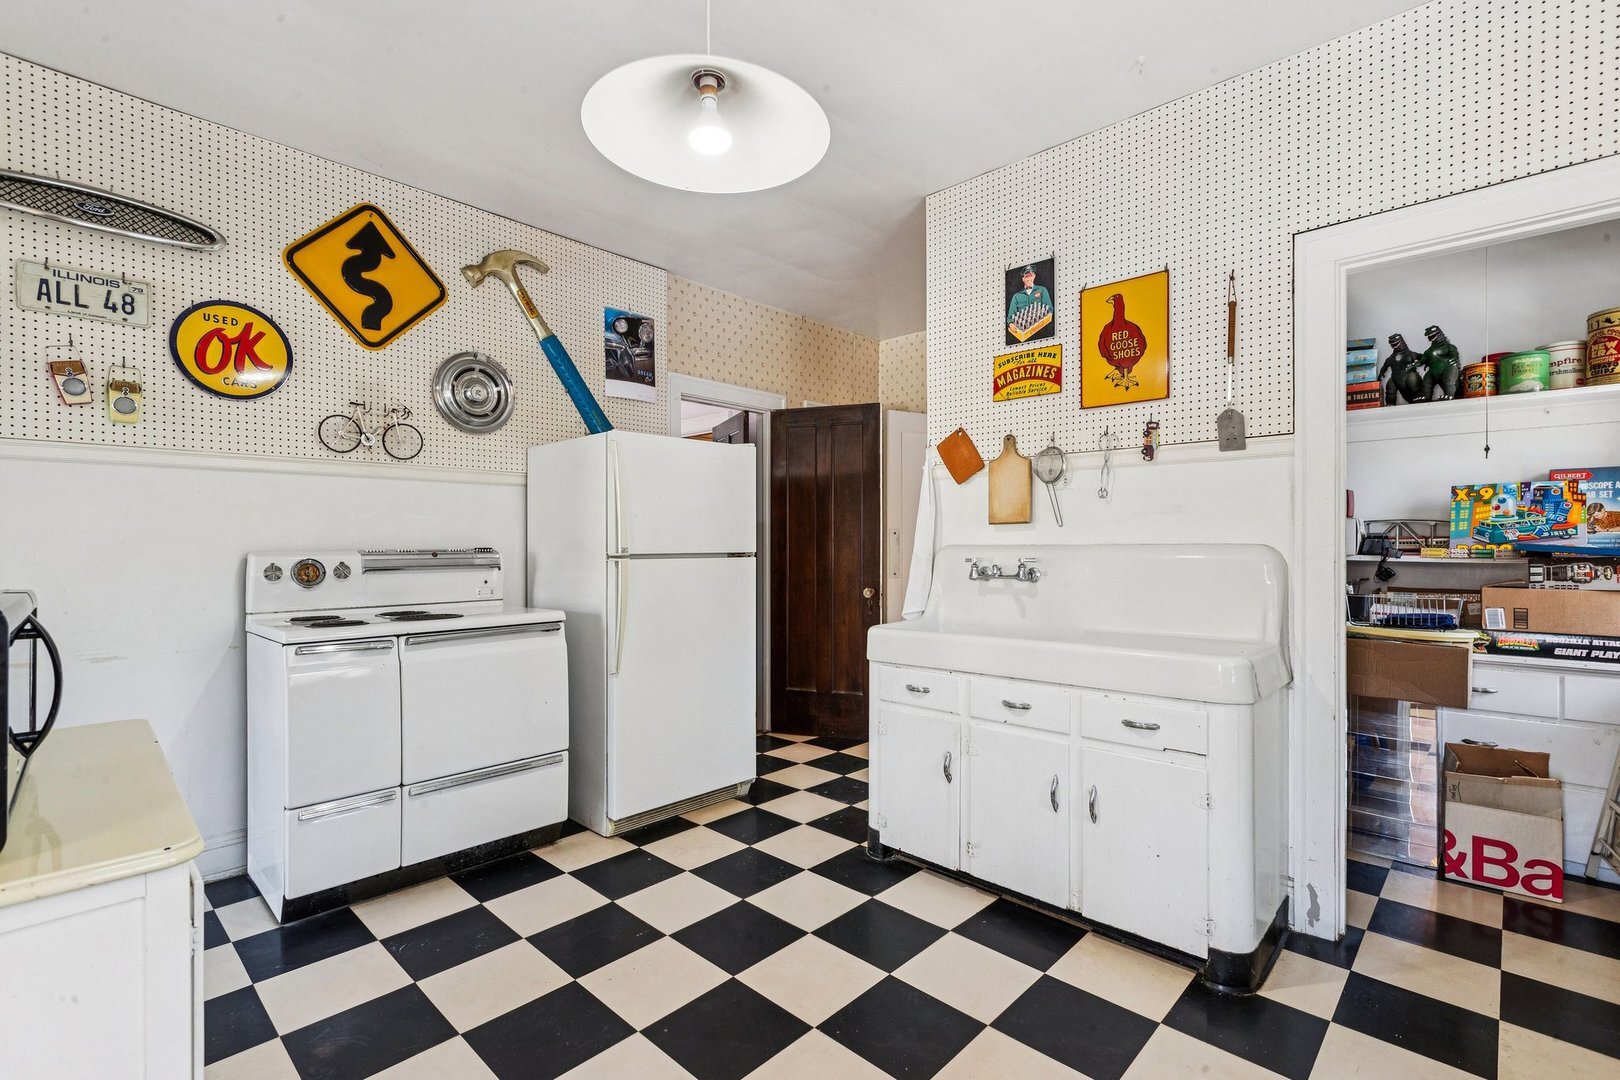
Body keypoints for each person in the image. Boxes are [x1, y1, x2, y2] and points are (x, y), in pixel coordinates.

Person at [1006, 265, 1052, 335]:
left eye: (1030, 275)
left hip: (1043, 331)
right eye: (1026, 276)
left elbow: (1050, 309)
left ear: (1034, 276)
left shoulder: (1042, 290)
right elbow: (1010, 317)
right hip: (1023, 333)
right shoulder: (1016, 296)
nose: (1028, 278)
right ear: (1023, 279)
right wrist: (1011, 324)